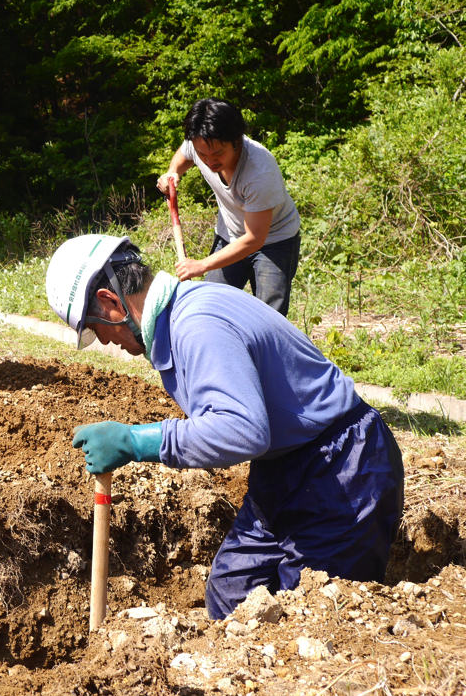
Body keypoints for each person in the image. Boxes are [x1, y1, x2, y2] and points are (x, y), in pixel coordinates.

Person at [46, 234, 404, 619]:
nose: (102, 340)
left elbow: (242, 429)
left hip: (344, 469)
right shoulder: (179, 319)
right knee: (232, 594)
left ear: (111, 302)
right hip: (285, 467)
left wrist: (136, 441)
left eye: (94, 327)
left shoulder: (196, 325)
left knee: (311, 614)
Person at [157, 98, 301, 315]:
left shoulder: (259, 171)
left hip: (274, 240)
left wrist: (202, 264)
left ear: (236, 140)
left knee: (268, 315)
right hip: (230, 235)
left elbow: (254, 238)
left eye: (217, 154)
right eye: (202, 155)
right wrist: (172, 172)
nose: (209, 161)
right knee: (210, 306)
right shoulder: (202, 143)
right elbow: (185, 153)